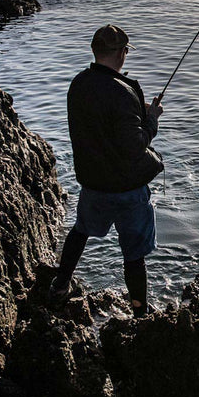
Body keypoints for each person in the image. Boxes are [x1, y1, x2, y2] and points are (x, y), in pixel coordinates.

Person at [50, 24, 164, 316]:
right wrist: (151, 120)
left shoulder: (78, 84)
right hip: (126, 188)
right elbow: (135, 146)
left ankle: (59, 285)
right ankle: (140, 314)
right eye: (125, 50)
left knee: (81, 231)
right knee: (134, 255)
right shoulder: (123, 92)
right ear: (120, 53)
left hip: (94, 184)